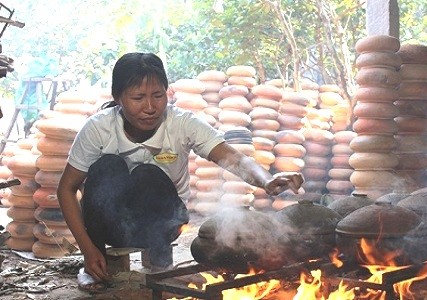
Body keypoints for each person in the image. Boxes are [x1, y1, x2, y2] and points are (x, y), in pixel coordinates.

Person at [57, 52, 304, 293]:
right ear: (118, 97)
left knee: (148, 174)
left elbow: (230, 156)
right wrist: (87, 250)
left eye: (157, 95)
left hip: (164, 225)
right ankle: (94, 267)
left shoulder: (182, 123)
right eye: (138, 97)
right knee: (107, 166)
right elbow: (66, 190)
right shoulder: (98, 128)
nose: (150, 107)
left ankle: (161, 264)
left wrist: (266, 180)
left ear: (167, 93)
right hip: (110, 226)